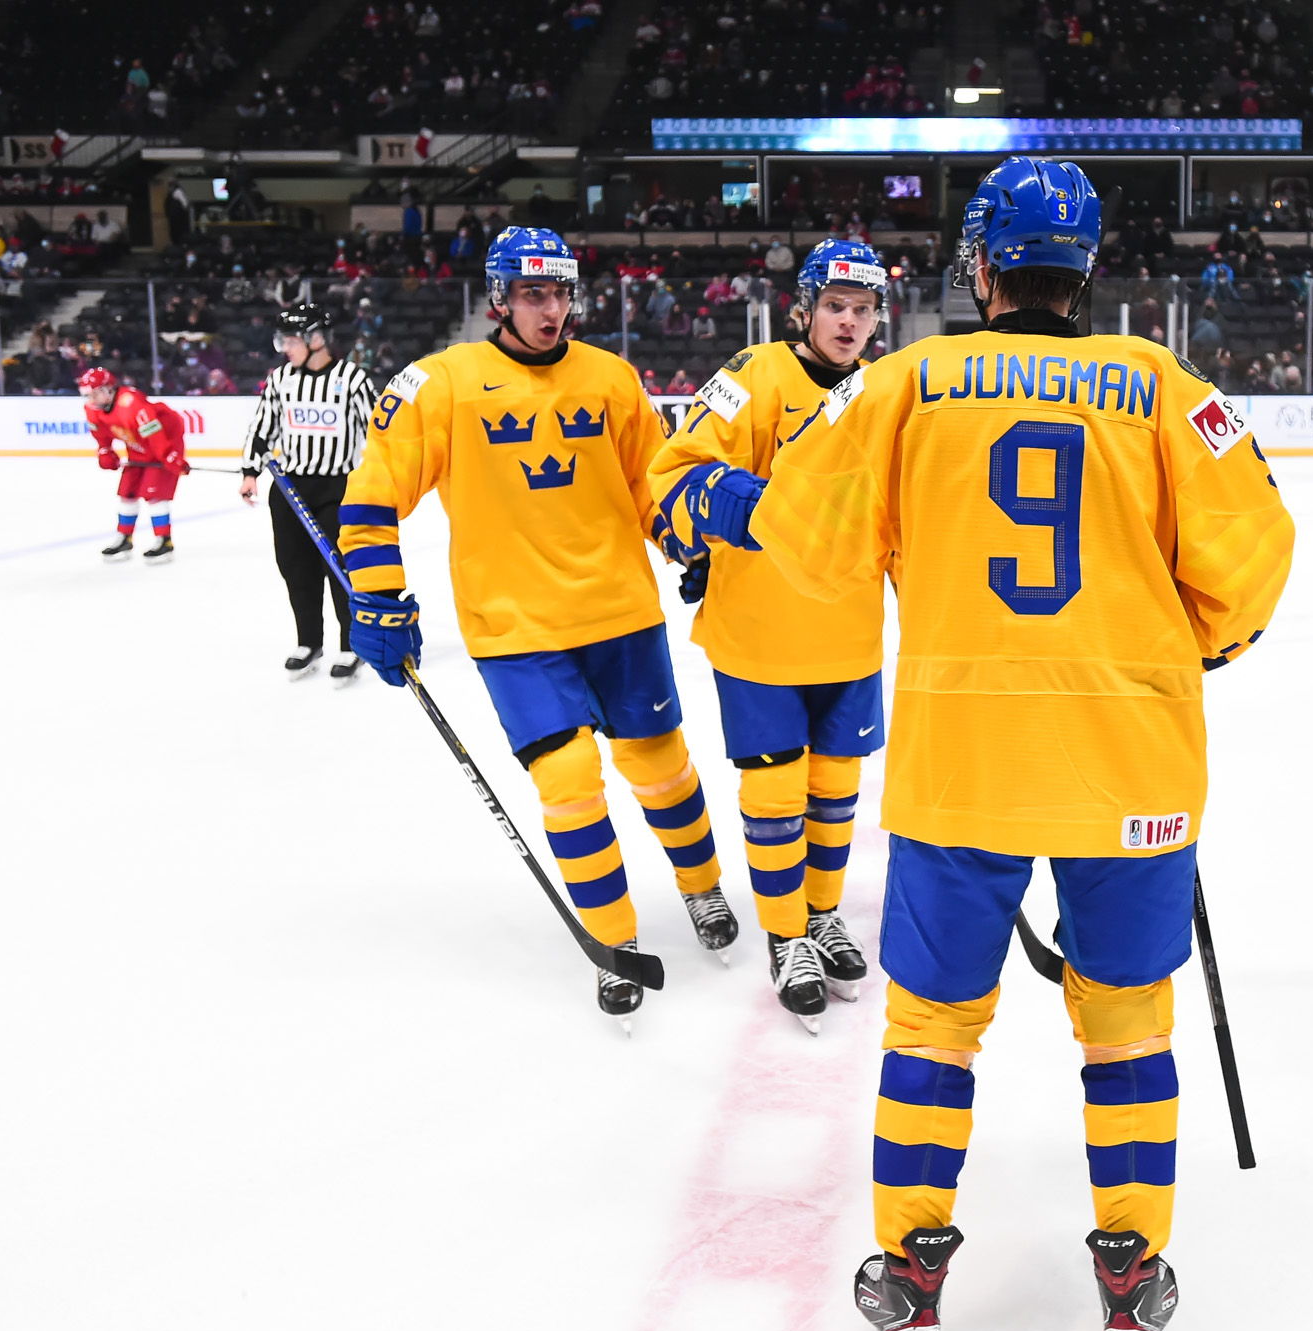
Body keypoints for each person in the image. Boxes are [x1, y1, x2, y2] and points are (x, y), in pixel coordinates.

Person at [688, 157, 1294, 1331]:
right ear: (1083, 272)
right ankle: (1131, 1270)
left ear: (979, 266)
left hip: (959, 762)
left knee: (931, 1026)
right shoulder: (1164, 385)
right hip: (1130, 767)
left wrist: (714, 501)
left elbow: (809, 540)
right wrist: (1199, 649)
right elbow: (1254, 557)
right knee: (1125, 1028)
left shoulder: (901, 384)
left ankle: (909, 1269)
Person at [335, 226, 740, 1021]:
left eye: (558, 293)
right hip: (514, 628)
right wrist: (378, 597)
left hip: (620, 614)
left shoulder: (613, 379)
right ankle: (614, 939)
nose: (550, 308)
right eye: (532, 294)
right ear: (499, 299)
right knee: (569, 786)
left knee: (663, 771)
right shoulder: (440, 384)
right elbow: (372, 493)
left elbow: (649, 487)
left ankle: (702, 888)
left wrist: (686, 544)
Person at [647, 241, 891, 1033]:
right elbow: (674, 474)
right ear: (805, 308)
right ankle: (788, 936)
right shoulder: (752, 373)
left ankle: (821, 915)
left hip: (850, 634)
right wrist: (739, 515)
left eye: (863, 310)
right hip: (760, 638)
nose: (849, 323)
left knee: (835, 794)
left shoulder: (887, 395)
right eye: (836, 307)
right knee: (777, 794)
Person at [239, 304, 380, 681]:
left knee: (340, 569)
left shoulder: (351, 378)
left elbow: (379, 430)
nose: (284, 347)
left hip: (338, 488)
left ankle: (351, 645)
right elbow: (262, 426)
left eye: (291, 339)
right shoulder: (281, 378)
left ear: (317, 339)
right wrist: (250, 470)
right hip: (290, 488)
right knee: (295, 568)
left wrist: (384, 476)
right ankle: (309, 641)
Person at [84, 367, 188, 564]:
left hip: (164, 444)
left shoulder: (131, 403)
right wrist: (105, 450)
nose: (91, 399)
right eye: (88, 394)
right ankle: (125, 538)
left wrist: (169, 456)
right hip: (137, 449)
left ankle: (164, 541)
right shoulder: (92, 409)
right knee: (127, 493)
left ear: (109, 390)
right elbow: (101, 434)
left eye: (95, 393)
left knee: (154, 495)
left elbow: (154, 432)